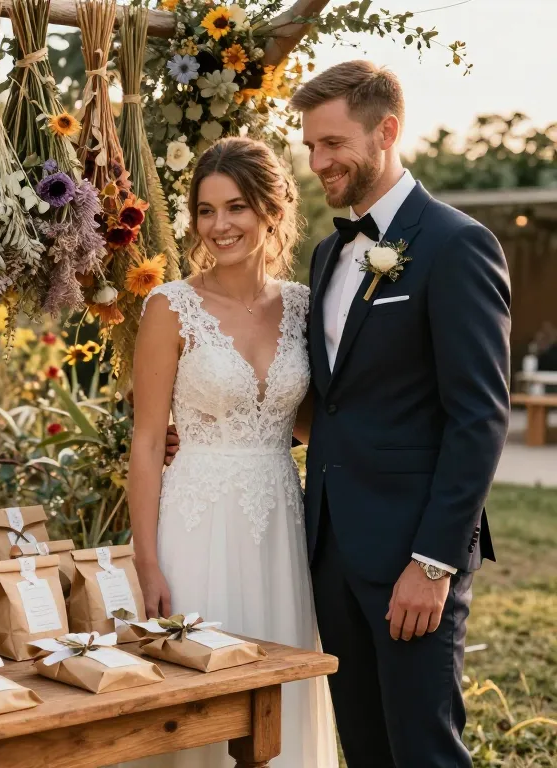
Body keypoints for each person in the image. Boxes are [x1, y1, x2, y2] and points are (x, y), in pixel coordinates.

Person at [164, 61, 511, 767]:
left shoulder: (455, 245)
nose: (317, 162)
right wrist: (219, 428)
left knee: (424, 750)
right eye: (311, 146)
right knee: (365, 747)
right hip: (325, 554)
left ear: (387, 131)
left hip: (412, 557)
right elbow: (334, 402)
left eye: (332, 144)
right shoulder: (328, 257)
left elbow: (479, 417)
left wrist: (434, 563)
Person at [128, 136, 337, 767]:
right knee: (196, 694)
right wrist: (147, 562)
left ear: (271, 210)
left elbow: (306, 422)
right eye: (206, 210)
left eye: (237, 207)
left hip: (280, 523)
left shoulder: (303, 305)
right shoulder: (170, 307)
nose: (220, 225)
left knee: (278, 684)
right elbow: (144, 441)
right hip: (196, 523)